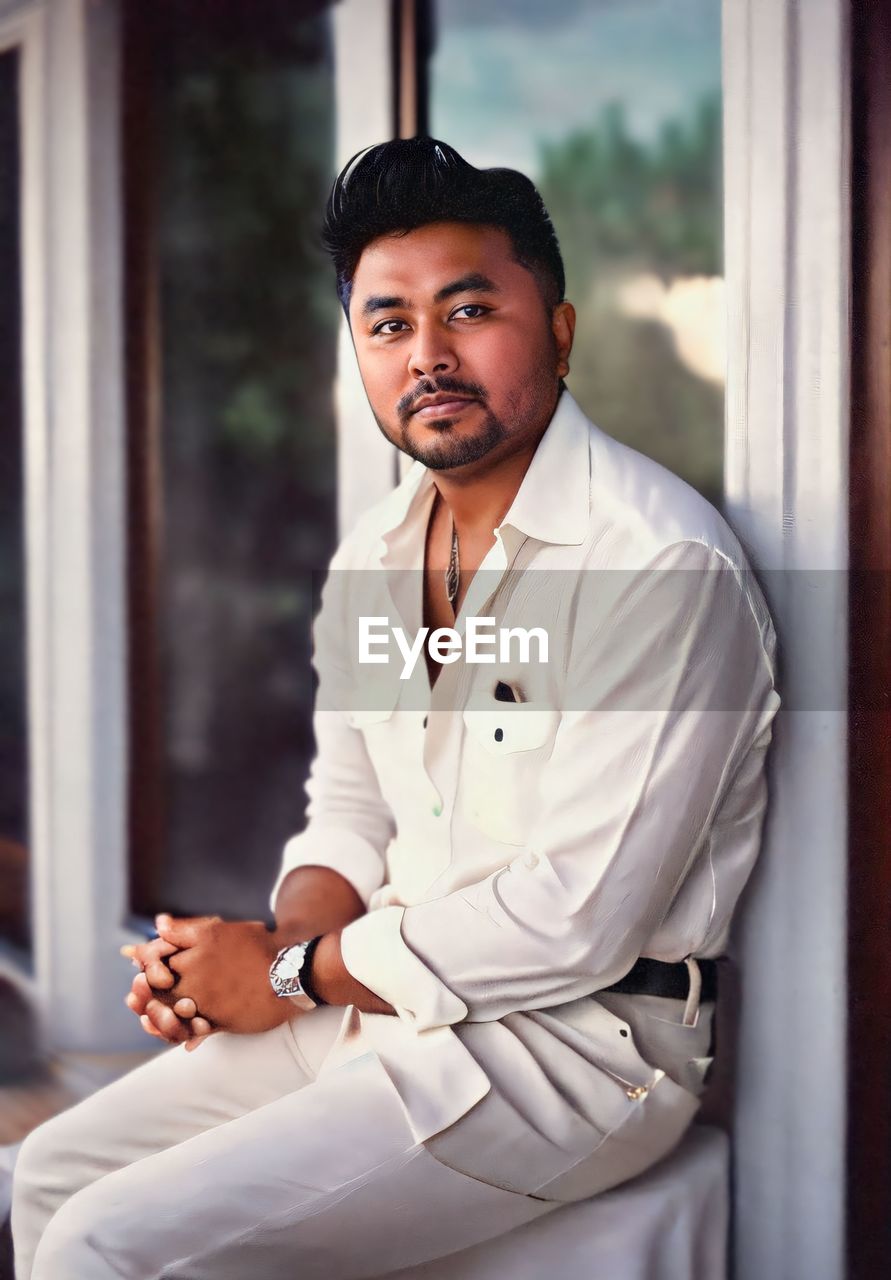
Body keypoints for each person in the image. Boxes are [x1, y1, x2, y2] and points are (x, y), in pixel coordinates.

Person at [10, 137, 779, 1279]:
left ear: (559, 333)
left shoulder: (656, 565)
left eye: (470, 310)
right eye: (388, 323)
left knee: (105, 1241)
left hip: (576, 1048)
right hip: (381, 998)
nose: (428, 354)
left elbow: (576, 917)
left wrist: (281, 977)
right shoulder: (375, 552)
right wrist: (266, 954)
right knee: (48, 1174)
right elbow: (350, 807)